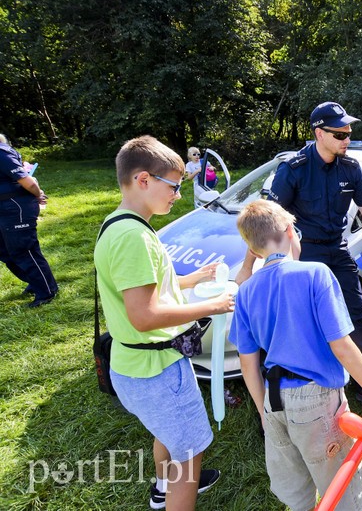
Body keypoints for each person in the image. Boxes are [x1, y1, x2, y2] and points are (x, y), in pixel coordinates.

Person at [94, 136, 234, 510]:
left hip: (138, 365)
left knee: (170, 436)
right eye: (173, 185)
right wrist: (213, 306)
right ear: (143, 180)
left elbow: (150, 287)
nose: (177, 193)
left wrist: (193, 280)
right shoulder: (134, 237)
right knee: (189, 455)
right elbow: (144, 316)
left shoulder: (121, 224)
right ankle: (175, 495)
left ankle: (161, 488)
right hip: (156, 369)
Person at [240, 101, 362, 408]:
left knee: (356, 318)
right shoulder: (293, 170)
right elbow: (267, 220)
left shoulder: (351, 168)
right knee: (303, 324)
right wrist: (249, 266)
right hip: (303, 252)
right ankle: (286, 396)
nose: (347, 139)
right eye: (340, 134)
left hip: (337, 250)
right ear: (319, 133)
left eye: (349, 133)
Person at [230, 199, 362, 510]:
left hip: (273, 401)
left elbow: (248, 364)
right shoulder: (316, 274)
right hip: (316, 400)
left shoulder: (246, 291)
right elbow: (341, 345)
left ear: (254, 248)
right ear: (291, 231)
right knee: (340, 488)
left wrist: (263, 412)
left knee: (296, 490)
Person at [0, 133, 58, 308]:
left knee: (23, 250)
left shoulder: (2, 154)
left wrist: (38, 194)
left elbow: (28, 182)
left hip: (14, 207)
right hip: (3, 208)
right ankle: (36, 280)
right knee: (4, 251)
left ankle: (47, 291)